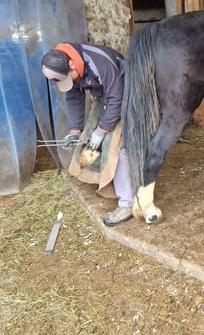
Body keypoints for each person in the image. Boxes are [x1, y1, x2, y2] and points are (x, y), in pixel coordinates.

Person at [41, 42, 134, 226]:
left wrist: (102, 130)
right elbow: (74, 96)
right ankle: (102, 179)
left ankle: (127, 203)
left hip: (125, 95)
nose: (71, 82)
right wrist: (75, 131)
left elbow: (117, 98)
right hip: (105, 98)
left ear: (72, 65)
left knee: (115, 146)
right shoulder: (70, 66)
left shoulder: (101, 63)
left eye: (70, 77)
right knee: (89, 141)